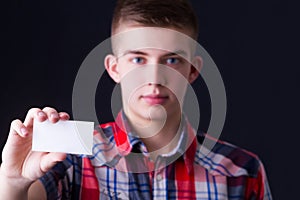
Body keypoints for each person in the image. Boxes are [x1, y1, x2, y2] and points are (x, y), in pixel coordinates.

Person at [0, 0, 272, 199]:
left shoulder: (241, 172)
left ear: (193, 70)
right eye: (138, 58)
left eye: (172, 59)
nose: (154, 78)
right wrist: (13, 182)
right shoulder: (73, 156)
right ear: (114, 68)